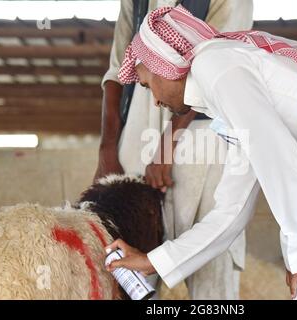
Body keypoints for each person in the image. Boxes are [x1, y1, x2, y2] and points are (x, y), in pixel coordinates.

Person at [105, 5, 297, 300]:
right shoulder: (226, 89)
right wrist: (155, 262)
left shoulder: (213, 65)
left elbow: (278, 157)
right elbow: (231, 211)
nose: (156, 102)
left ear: (164, 65)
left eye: (148, 86)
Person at [95, 0, 254, 299]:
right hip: (137, 134)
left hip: (201, 133)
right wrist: (106, 148)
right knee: (131, 260)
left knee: (211, 269)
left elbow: (215, 64)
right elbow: (118, 70)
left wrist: (167, 146)